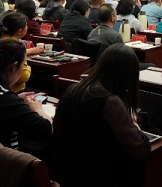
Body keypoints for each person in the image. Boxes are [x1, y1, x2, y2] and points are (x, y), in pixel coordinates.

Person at [51, 44, 151, 187]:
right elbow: (141, 151)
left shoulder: (73, 89)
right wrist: (134, 125)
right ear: (129, 75)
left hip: (65, 172)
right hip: (95, 177)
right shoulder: (110, 102)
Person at [0, 12, 44, 92]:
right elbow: (23, 77)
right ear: (19, 31)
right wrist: (29, 68)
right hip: (14, 90)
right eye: (26, 26)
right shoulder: (16, 46)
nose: (27, 27)